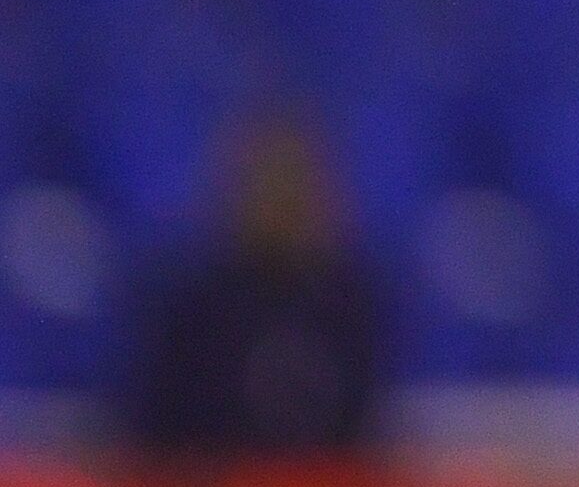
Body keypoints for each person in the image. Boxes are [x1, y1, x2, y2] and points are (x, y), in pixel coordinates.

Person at [117, 111, 386, 461]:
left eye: (294, 182)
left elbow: (364, 442)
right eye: (270, 181)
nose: (282, 199)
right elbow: (156, 440)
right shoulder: (196, 304)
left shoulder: (349, 302)